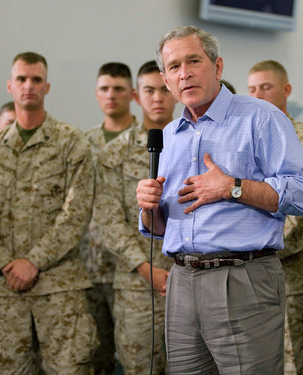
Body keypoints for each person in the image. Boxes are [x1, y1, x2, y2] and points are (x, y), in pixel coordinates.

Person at [136, 25, 303, 375]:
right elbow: (159, 228)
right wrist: (148, 207)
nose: (184, 73)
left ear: (217, 67)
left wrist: (232, 186)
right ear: (165, 79)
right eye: (174, 67)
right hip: (182, 280)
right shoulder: (169, 137)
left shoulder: (261, 117)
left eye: (194, 61)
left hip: (242, 279)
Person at [0, 52, 98, 374]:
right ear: (10, 86)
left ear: (47, 87)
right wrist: (5, 265)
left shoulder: (71, 143)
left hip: (59, 291)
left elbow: (76, 213)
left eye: (36, 80)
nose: (29, 86)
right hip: (7, 292)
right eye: (22, 80)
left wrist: (34, 262)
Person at [93, 60, 177, 375]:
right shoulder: (112, 154)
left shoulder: (197, 145)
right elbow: (109, 220)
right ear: (137, 97)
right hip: (136, 285)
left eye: (164, 90)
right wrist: (146, 269)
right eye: (149, 91)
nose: (158, 98)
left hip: (191, 276)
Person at [248, 60, 303, 375]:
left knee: (296, 360)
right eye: (252, 89)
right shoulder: (246, 136)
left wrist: (263, 238)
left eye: (266, 87)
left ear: (286, 90)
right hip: (250, 272)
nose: (258, 95)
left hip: (291, 274)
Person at [83, 62, 138, 374]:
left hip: (130, 270)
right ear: (96, 94)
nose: (111, 95)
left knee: (134, 356)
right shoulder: (82, 143)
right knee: (94, 355)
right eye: (105, 88)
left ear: (131, 94)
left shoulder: (146, 142)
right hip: (88, 266)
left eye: (118, 89)